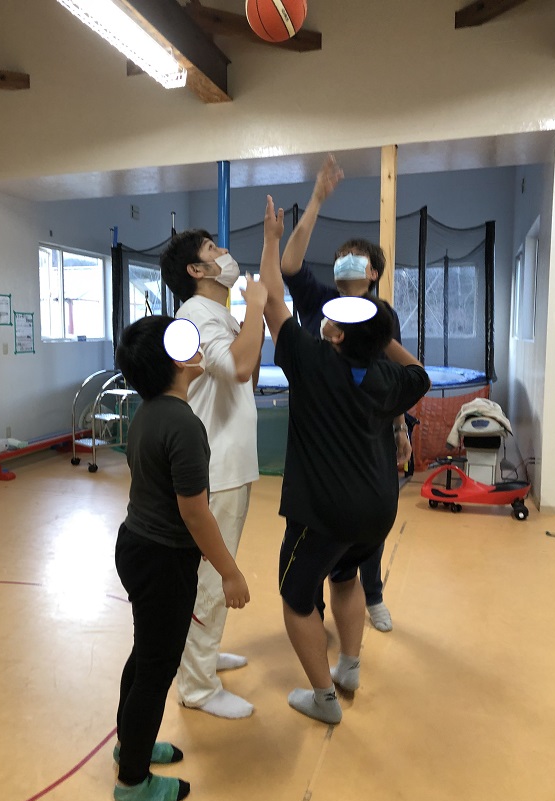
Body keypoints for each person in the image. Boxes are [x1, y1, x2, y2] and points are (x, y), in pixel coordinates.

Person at [260, 195, 430, 724]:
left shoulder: (309, 360)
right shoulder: (387, 377)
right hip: (378, 508)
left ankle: (323, 698)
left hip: (324, 513)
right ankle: (349, 667)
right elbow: (420, 373)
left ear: (333, 332)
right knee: (346, 576)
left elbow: (272, 300)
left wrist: (269, 239)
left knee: (296, 597)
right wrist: (380, 340)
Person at [113, 315, 250, 801]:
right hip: (162, 562)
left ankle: (131, 744)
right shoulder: (184, 425)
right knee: (156, 669)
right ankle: (133, 782)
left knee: (145, 655)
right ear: (172, 360)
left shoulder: (149, 412)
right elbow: (195, 512)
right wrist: (230, 572)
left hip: (136, 546)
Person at [280, 154, 410, 633]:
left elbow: (395, 379)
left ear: (374, 273)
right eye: (341, 257)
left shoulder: (381, 318)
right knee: (314, 532)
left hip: (368, 436)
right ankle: (310, 610)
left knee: (363, 529)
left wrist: (400, 429)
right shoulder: (319, 302)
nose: (346, 262)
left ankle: (371, 596)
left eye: (358, 259)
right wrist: (316, 199)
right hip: (319, 436)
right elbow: (289, 265)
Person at [160, 232, 266, 719]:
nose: (223, 252)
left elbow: (247, 371)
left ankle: (203, 656)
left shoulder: (216, 314)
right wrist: (257, 306)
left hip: (229, 463)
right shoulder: (197, 315)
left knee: (209, 576)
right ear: (196, 271)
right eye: (211, 249)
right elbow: (241, 368)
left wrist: (248, 318)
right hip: (215, 467)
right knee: (210, 579)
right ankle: (198, 687)